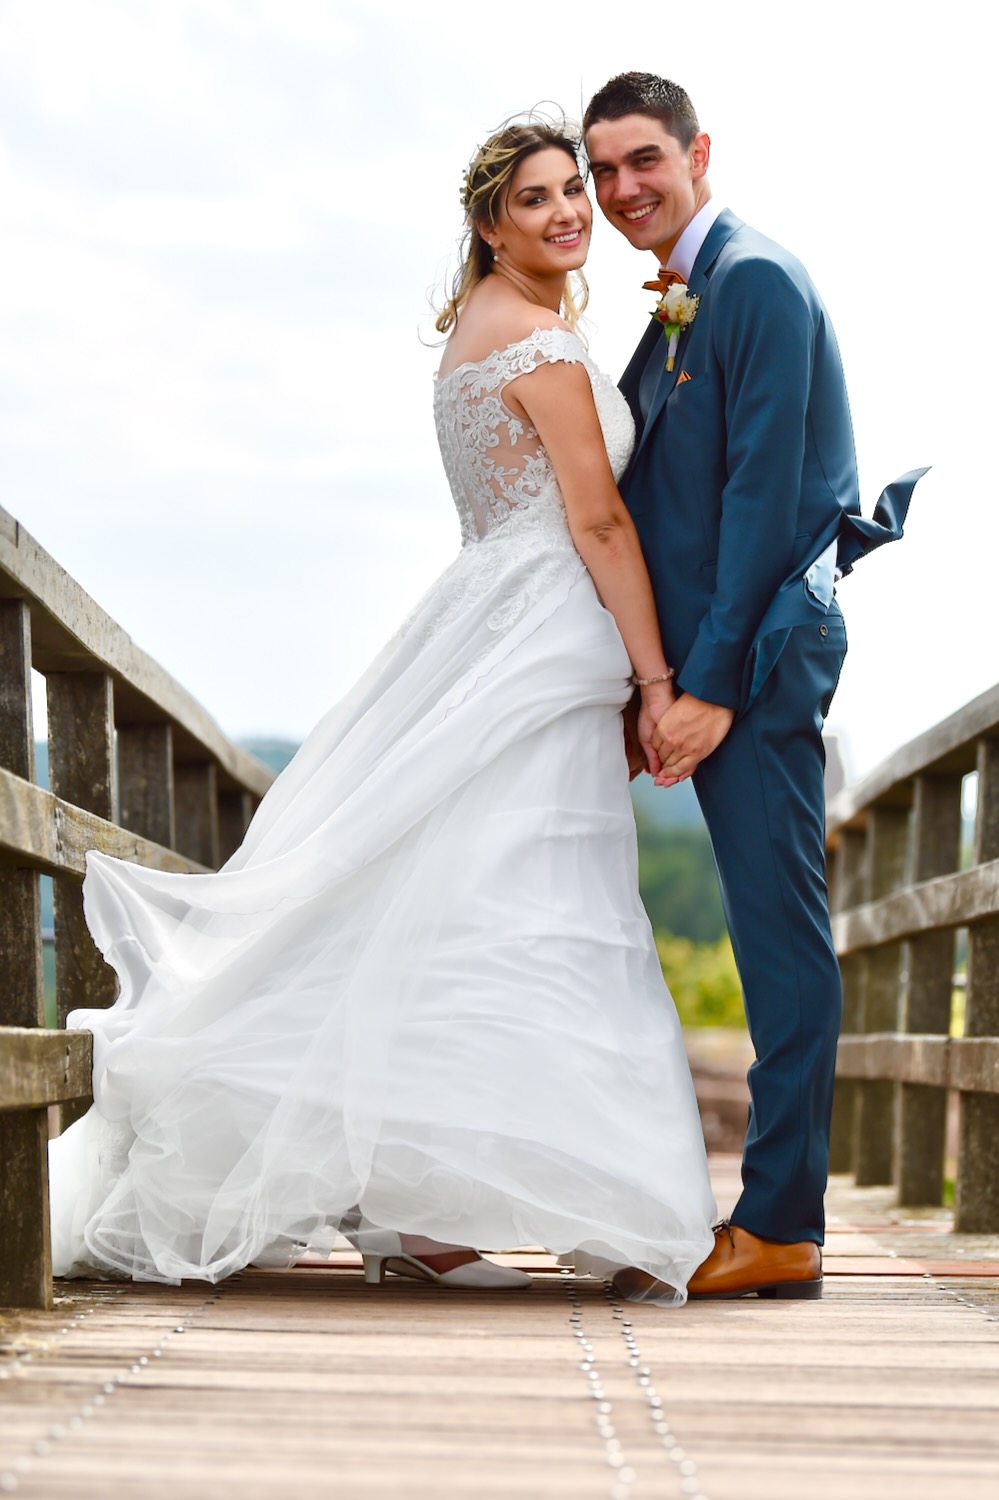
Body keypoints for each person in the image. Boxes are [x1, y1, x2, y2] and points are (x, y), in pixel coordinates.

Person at [48, 117, 717, 1304]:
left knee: (474, 893)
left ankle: (429, 1209)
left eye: (578, 190)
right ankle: (500, 1202)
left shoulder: (473, 336)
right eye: (539, 198)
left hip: (485, 616)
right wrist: (659, 680)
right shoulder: (546, 347)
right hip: (550, 628)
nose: (571, 212)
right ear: (488, 220)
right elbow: (600, 523)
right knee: (543, 897)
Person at [583, 73, 925, 1300]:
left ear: (697, 151)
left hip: (761, 661)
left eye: (643, 161)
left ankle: (781, 1221)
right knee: (768, 928)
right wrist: (647, 681)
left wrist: (710, 686)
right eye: (604, 168)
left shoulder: (759, 281)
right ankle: (770, 1216)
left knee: (779, 936)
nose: (624, 188)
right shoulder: (695, 290)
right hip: (708, 662)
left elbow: (765, 500)